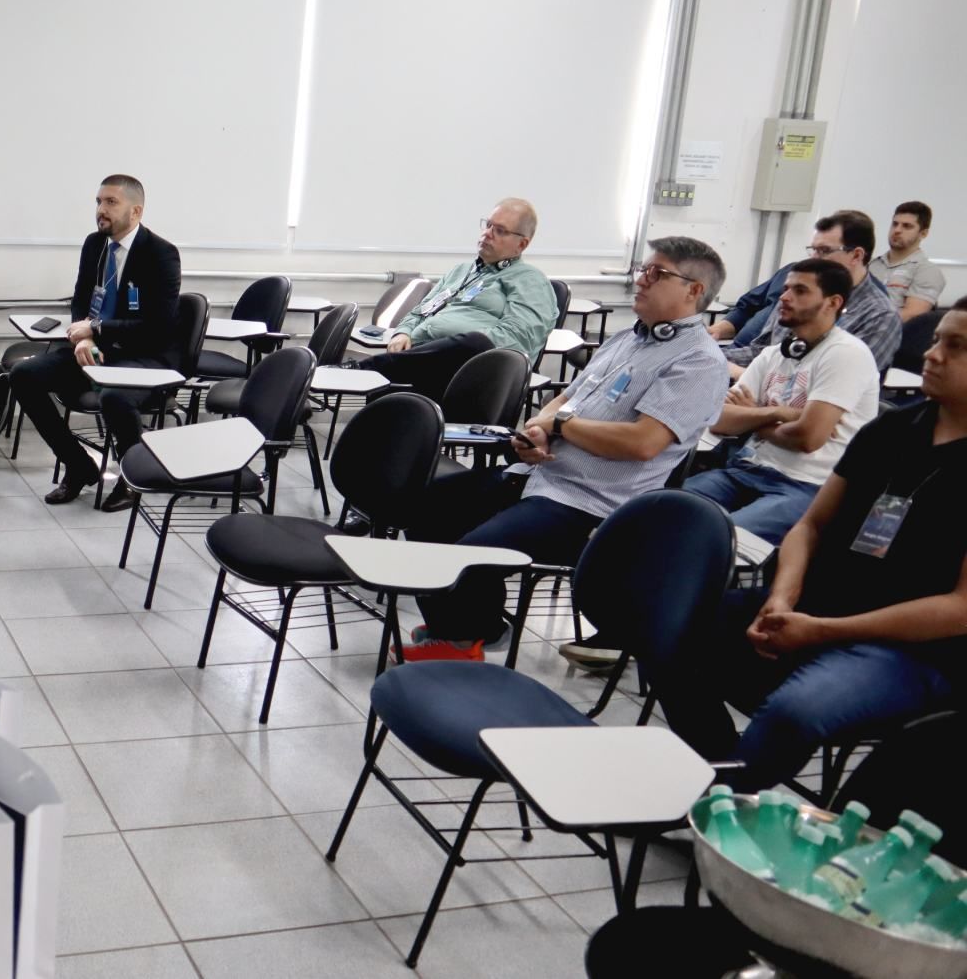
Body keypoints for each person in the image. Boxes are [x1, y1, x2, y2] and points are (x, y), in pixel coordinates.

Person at [618, 298, 967, 790]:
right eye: (936, 340)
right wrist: (782, 597)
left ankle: (723, 797)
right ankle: (724, 777)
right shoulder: (893, 429)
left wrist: (822, 631)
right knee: (664, 631)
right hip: (815, 605)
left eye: (957, 346)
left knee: (794, 713)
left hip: (906, 649)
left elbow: (959, 608)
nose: (932, 354)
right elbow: (812, 526)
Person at [399, 237, 729, 662]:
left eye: (656, 273)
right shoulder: (628, 339)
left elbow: (644, 442)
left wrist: (559, 426)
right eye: (643, 270)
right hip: (540, 476)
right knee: (422, 508)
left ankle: (461, 643)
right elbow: (565, 398)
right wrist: (539, 428)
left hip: (590, 503)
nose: (641, 280)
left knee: (470, 556)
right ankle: (475, 625)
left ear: (694, 291)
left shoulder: (699, 361)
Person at [9, 175, 180, 513]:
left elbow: (156, 326)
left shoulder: (161, 254)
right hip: (99, 348)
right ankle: (78, 465)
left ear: (136, 211)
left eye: (111, 202)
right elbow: (82, 298)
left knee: (114, 395)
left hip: (144, 355)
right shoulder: (95, 244)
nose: (101, 209)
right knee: (23, 375)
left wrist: (95, 329)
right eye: (99, 202)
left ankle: (131, 480)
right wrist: (84, 335)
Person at [685, 259, 879, 545]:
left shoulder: (846, 354)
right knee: (659, 510)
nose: (784, 297)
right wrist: (777, 412)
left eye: (800, 291)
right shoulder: (774, 354)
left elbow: (808, 438)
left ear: (833, 302)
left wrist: (753, 417)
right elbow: (720, 420)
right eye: (786, 288)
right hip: (745, 471)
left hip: (805, 486)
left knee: (714, 542)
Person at [352, 198, 555, 399]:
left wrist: (452, 342)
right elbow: (420, 311)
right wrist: (403, 332)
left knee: (478, 342)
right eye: (488, 225)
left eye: (500, 231)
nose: (487, 233)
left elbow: (516, 340)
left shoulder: (530, 280)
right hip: (422, 356)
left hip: (472, 371)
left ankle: (362, 370)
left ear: (521, 244)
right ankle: (373, 370)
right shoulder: (461, 271)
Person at [724, 210, 900, 377]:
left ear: (856, 256)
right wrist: (715, 357)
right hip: (767, 387)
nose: (814, 258)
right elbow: (761, 352)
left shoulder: (880, 315)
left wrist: (743, 376)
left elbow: (837, 381)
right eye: (813, 250)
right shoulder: (795, 294)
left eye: (824, 251)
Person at [869, 200, 945, 322]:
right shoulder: (869, 265)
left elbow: (911, 315)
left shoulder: (927, 271)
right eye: (895, 224)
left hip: (892, 332)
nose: (897, 230)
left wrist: (865, 320)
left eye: (907, 226)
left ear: (923, 234)